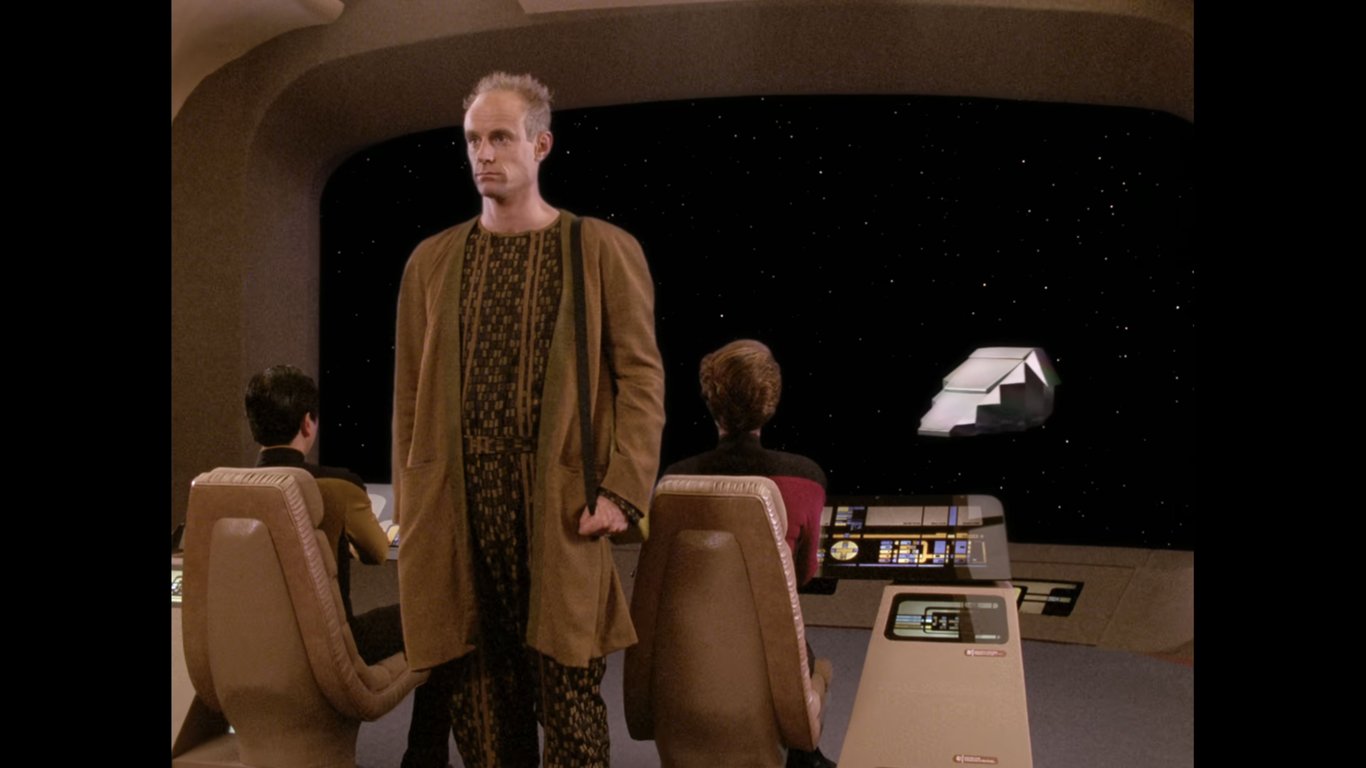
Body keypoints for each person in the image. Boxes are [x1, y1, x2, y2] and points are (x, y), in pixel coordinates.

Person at [391, 72, 666, 767]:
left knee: (571, 712)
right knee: (481, 716)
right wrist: (414, 506)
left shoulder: (600, 248)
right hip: (459, 512)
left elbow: (641, 378)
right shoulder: (431, 262)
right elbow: (409, 402)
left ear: (540, 145)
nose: (484, 154)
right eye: (473, 140)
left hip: (560, 508)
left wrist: (621, 490)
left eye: (500, 137)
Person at [245, 365, 453, 768]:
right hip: (332, 648)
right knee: (442, 621)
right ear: (308, 423)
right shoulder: (339, 486)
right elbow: (375, 553)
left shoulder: (232, 489)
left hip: (257, 649)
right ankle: (423, 758)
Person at [661, 339, 836, 768]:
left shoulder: (674, 480)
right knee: (811, 660)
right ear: (769, 400)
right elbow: (803, 576)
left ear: (711, 400)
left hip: (687, 654)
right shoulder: (806, 478)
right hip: (772, 660)